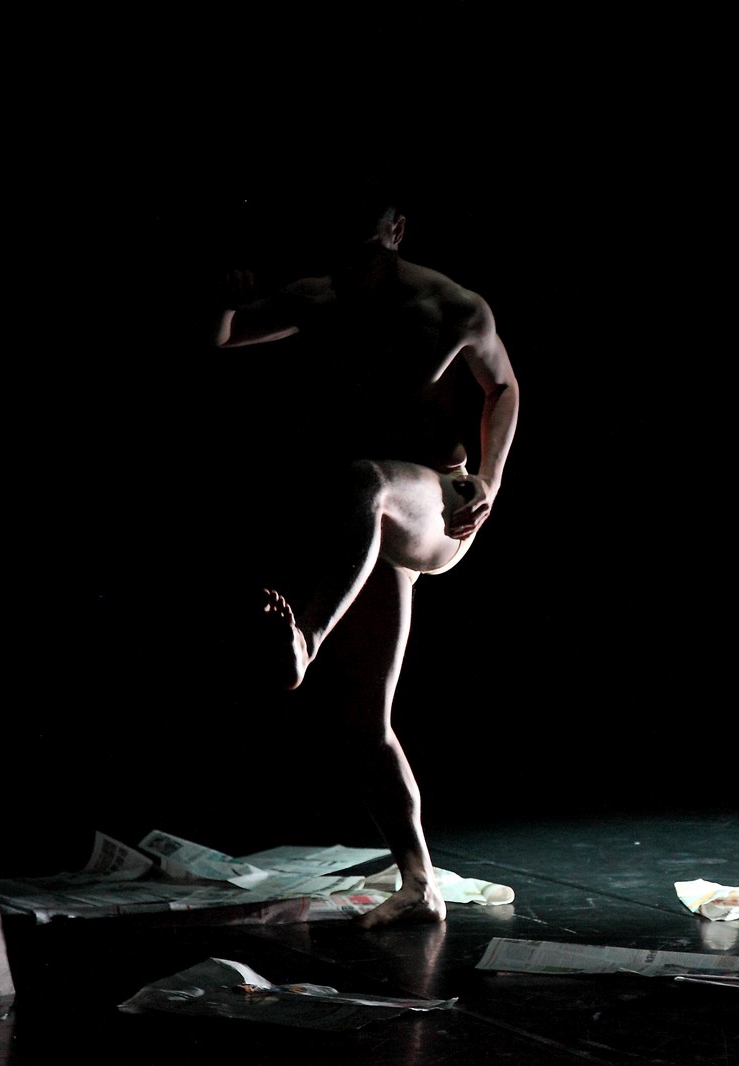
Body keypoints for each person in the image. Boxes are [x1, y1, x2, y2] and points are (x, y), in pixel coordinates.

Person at [213, 195, 518, 926]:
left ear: (396, 234)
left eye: (367, 255)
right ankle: (419, 886)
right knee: (363, 722)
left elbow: (503, 386)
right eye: (342, 258)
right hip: (365, 532)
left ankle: (307, 639)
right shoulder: (315, 299)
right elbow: (221, 338)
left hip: (436, 504)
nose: (354, 273)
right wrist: (219, 296)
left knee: (366, 479)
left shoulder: (452, 307)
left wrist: (490, 480)